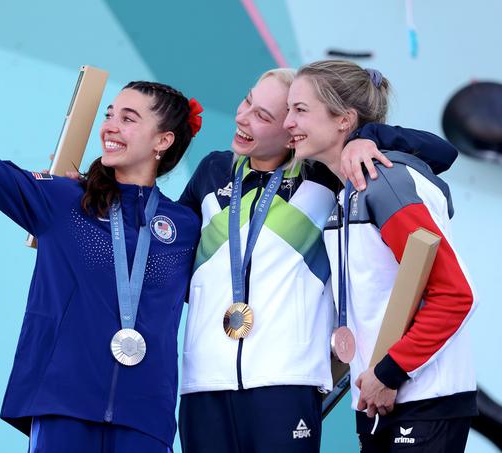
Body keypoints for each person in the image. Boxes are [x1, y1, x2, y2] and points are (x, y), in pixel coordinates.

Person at [0, 62, 202, 453]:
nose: (110, 126)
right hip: (63, 404)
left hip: (145, 417)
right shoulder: (62, 200)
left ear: (163, 141)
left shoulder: (185, 228)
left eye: (128, 119)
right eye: (109, 115)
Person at [177, 68, 459, 453]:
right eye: (247, 102)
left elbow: (442, 153)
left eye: (265, 116)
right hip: (204, 380)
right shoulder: (213, 171)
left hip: (288, 379)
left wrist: (366, 137)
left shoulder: (326, 175)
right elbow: (173, 255)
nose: (243, 118)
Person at [285, 60, 477, 452]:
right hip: (381, 399)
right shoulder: (346, 189)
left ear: (344, 120)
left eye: (300, 110)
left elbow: (455, 294)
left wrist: (390, 373)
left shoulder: (383, 180)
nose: (288, 122)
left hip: (422, 399)